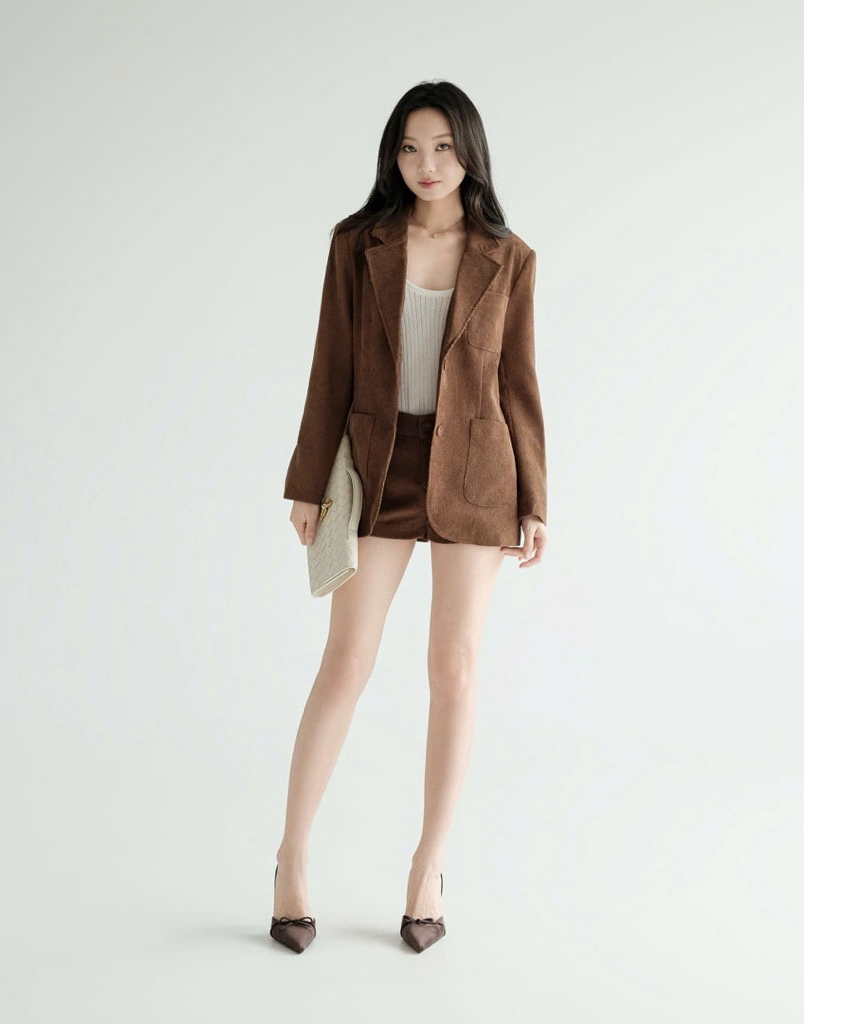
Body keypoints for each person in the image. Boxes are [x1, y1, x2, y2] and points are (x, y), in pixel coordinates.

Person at [272, 80, 548, 954]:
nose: (426, 164)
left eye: (442, 147)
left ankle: (429, 867)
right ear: (392, 156)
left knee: (453, 670)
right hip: (377, 466)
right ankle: (291, 858)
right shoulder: (359, 244)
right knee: (346, 662)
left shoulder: (509, 257)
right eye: (409, 147)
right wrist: (308, 482)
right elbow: (329, 367)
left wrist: (535, 499)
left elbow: (518, 383)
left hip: (476, 471)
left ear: (469, 152)